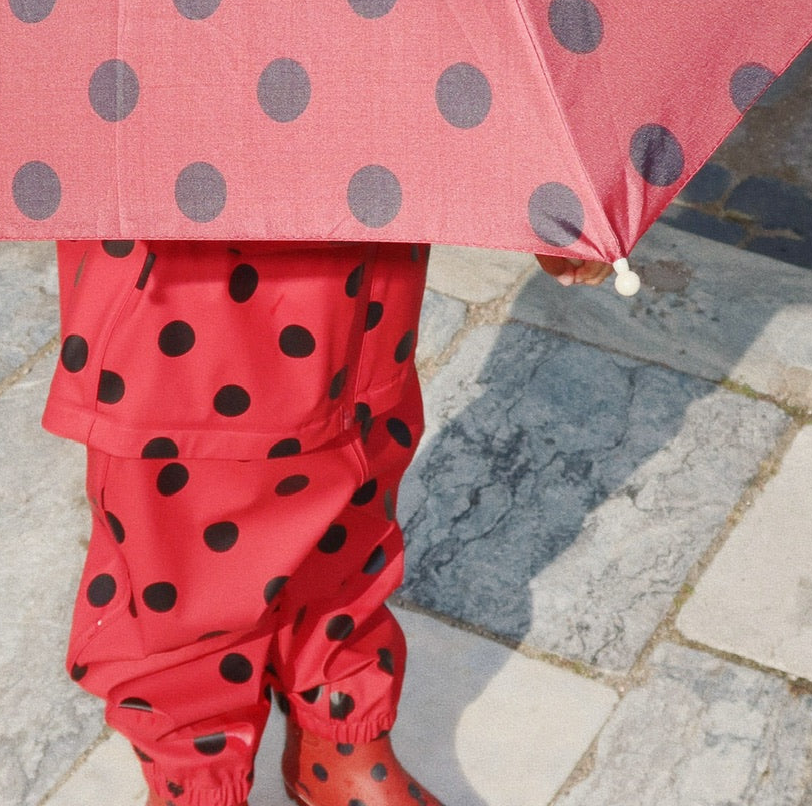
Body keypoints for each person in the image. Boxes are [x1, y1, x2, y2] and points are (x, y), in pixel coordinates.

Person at [42, 237, 610, 806]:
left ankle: (338, 739)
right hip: (178, 247)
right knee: (186, 546)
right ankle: (198, 783)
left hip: (361, 212)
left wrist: (535, 198)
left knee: (355, 476)